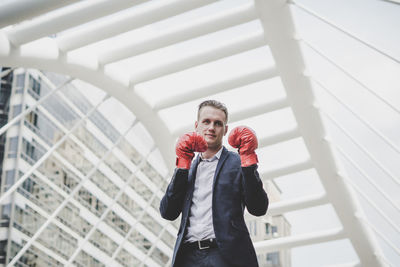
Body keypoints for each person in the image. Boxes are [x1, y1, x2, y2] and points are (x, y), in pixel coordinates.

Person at [160, 100, 269, 267]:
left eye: (218, 123)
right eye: (206, 121)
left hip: (224, 256)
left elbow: (258, 207)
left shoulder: (238, 162)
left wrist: (248, 160)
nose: (211, 127)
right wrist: (182, 165)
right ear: (197, 125)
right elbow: (168, 212)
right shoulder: (187, 167)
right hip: (188, 257)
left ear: (225, 130)